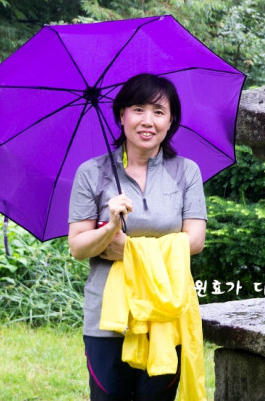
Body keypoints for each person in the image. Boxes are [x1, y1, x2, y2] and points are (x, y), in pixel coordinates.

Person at [68, 73, 207, 400]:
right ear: (122, 115)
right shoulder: (92, 172)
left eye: (159, 112)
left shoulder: (186, 171)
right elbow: (77, 246)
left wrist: (129, 249)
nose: (148, 121)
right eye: (138, 109)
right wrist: (110, 229)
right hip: (109, 320)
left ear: (170, 121)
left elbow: (195, 240)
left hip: (166, 312)